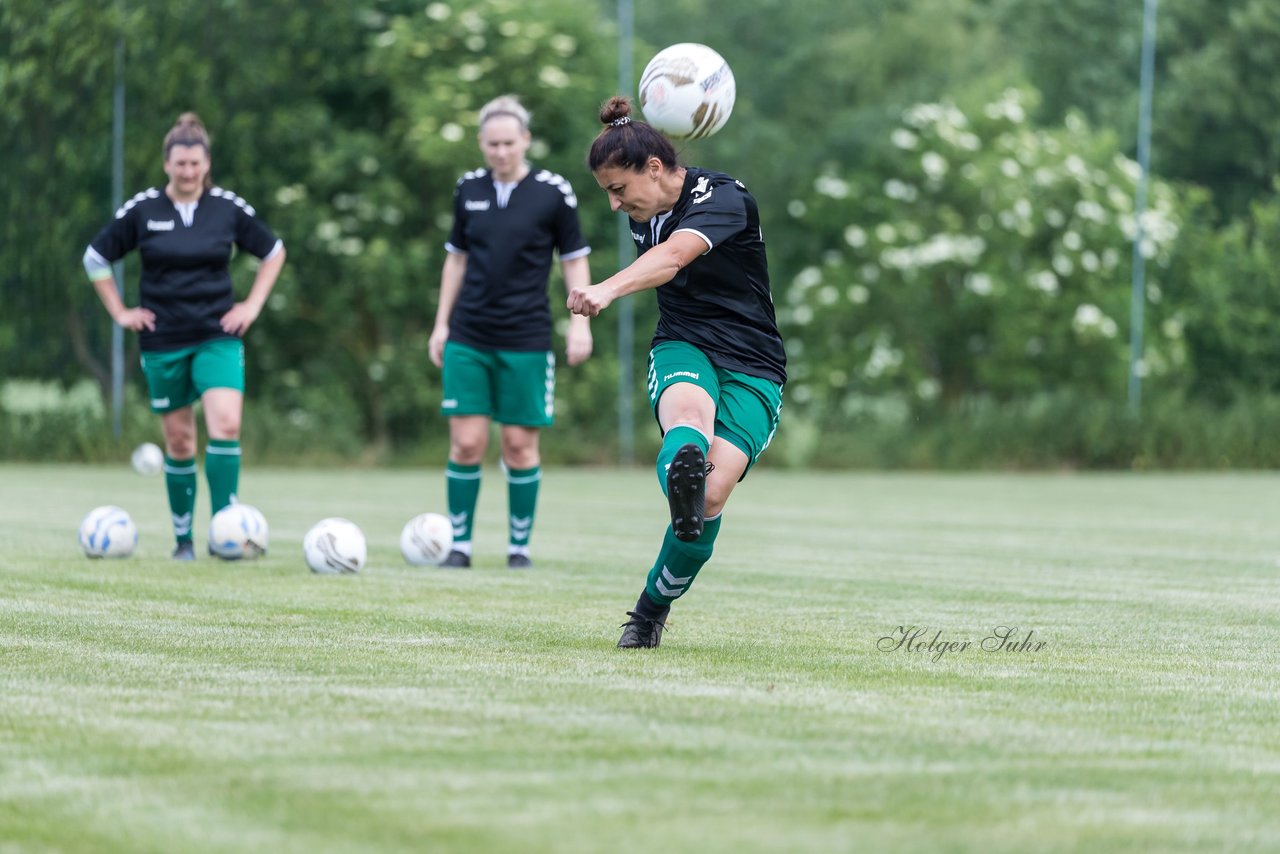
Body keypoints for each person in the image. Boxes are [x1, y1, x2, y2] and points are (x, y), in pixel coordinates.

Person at [567, 97, 786, 648]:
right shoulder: (646, 204)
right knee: (689, 418)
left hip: (754, 363)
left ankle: (651, 608)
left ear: (656, 169)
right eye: (607, 193)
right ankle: (681, 472)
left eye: (619, 189)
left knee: (710, 498)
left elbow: (671, 258)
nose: (615, 205)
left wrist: (604, 289)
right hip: (684, 344)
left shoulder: (725, 198)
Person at [83, 112, 285, 561]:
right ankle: (183, 541)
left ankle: (226, 531)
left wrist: (251, 305)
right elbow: (95, 258)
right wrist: (120, 311)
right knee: (180, 442)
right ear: (167, 164)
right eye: (181, 164)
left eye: (196, 164)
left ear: (207, 163)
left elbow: (273, 251)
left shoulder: (228, 208)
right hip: (163, 339)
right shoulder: (143, 210)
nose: (189, 172)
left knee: (226, 426)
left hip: (217, 334)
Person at [429, 95, 593, 569]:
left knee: (519, 446)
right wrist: (441, 324)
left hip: (526, 335)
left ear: (526, 140)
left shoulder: (552, 191)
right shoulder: (468, 189)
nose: (501, 152)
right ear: (481, 144)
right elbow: (456, 259)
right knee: (466, 443)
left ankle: (518, 548)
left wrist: (579, 322)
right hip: (469, 335)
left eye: (509, 142)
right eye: (492, 144)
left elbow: (573, 259)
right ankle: (459, 546)